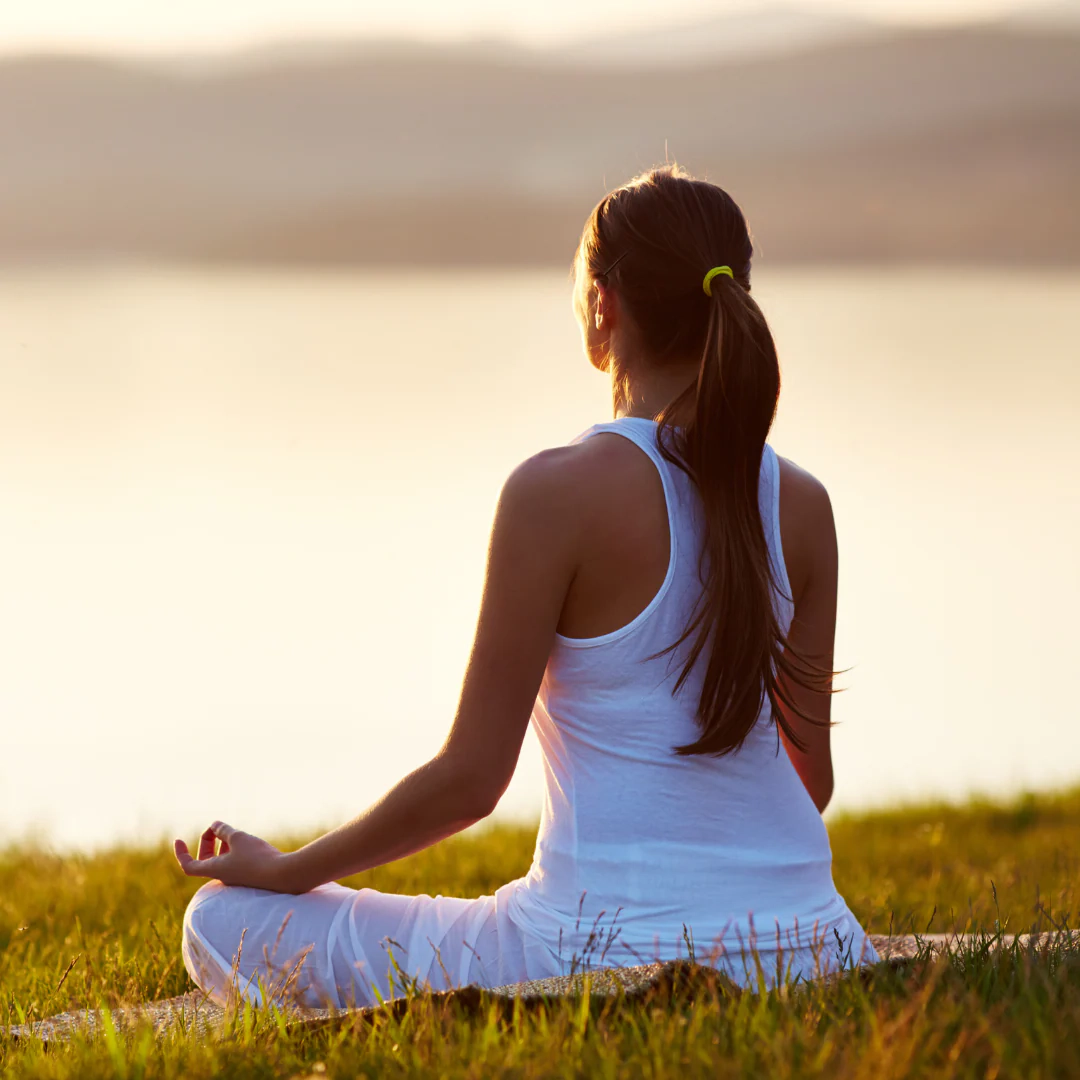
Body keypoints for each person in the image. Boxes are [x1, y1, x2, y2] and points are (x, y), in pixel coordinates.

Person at [177, 164, 879, 1009]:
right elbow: (813, 783)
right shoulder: (801, 503)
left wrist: (288, 870)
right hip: (816, 941)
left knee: (219, 921)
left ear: (602, 308)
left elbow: (473, 782)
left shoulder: (555, 494)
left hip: (590, 951)